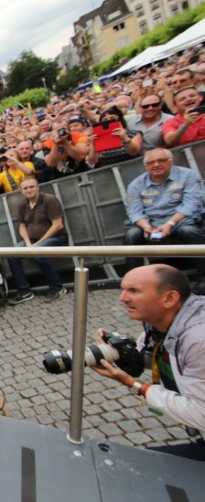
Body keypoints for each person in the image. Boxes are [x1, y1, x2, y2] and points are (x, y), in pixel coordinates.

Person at [91, 264, 205, 462]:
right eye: (123, 289)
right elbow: (152, 356)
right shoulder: (159, 320)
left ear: (169, 298)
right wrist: (121, 351)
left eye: (133, 291)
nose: (122, 298)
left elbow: (201, 413)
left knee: (132, 466)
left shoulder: (198, 340)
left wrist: (135, 386)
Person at [123, 148, 205, 292]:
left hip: (181, 220)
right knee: (131, 235)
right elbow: (134, 211)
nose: (156, 165)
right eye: (151, 162)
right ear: (145, 166)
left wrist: (170, 224)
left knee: (189, 231)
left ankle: (203, 279)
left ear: (170, 162)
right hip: (150, 222)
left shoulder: (189, 176)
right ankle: (133, 283)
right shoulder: (136, 184)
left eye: (161, 160)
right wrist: (146, 227)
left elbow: (192, 204)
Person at [7, 178, 69, 304]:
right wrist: (28, 243)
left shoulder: (50, 200)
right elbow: (22, 226)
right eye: (25, 188)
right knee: (12, 255)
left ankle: (57, 287)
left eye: (31, 187)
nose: (29, 190)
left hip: (56, 238)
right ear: (21, 191)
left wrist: (37, 244)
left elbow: (58, 225)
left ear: (38, 187)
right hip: (32, 240)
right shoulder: (22, 205)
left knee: (37, 252)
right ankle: (24, 290)